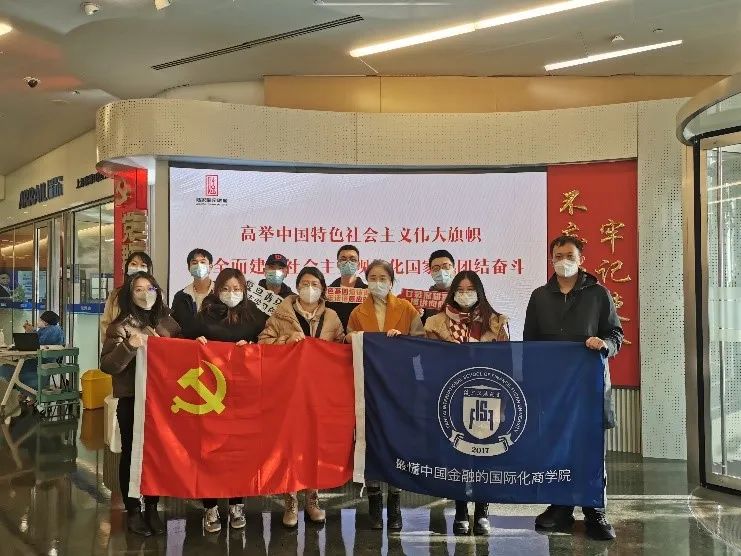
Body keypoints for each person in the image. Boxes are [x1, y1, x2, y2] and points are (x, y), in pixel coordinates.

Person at [523, 235, 623, 542]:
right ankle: (560, 507)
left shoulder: (599, 294)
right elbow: (530, 344)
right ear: (551, 259)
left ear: (581, 259)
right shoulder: (540, 296)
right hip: (552, 389)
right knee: (556, 448)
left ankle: (595, 510)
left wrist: (604, 344)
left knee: (590, 449)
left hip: (588, 388)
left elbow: (616, 336)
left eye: (569, 255)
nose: (563, 260)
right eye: (557, 255)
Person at [258, 266, 344, 528]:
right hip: (289, 390)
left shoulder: (331, 316)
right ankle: (291, 501)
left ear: (322, 288)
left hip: (319, 391)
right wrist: (286, 339)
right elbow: (262, 343)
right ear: (297, 287)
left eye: (315, 284)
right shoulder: (282, 313)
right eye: (305, 283)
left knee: (315, 444)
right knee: (290, 444)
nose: (310, 288)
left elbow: (341, 348)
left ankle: (313, 499)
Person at [424, 271, 509, 536]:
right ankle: (460, 510)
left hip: (487, 395)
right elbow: (428, 361)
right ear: (452, 293)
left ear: (479, 291)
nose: (464, 294)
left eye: (470, 289)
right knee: (457, 453)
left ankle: (483, 510)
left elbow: (506, 361)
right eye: (459, 289)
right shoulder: (435, 322)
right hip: (450, 396)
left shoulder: (496, 322)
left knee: (485, 453)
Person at [100, 272, 180, 537]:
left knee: (156, 454)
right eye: (139, 289)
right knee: (131, 453)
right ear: (130, 295)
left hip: (161, 401)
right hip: (132, 399)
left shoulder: (169, 323)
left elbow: (183, 353)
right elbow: (108, 365)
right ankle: (133, 509)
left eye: (151, 288)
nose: (146, 294)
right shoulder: (120, 326)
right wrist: (129, 346)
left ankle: (152, 508)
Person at [346, 259, 424, 531]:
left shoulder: (407, 308)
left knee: (396, 440)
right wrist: (354, 338)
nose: (377, 283)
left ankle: (394, 502)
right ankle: (374, 501)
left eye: (383, 278)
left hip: (400, 385)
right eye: (373, 278)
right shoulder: (357, 312)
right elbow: (348, 340)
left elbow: (420, 343)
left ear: (392, 282)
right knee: (371, 439)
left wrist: (402, 339)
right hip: (369, 384)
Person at [190, 267, 268, 534]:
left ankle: (237, 504)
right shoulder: (204, 313)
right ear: (217, 290)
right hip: (210, 394)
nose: (231, 293)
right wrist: (195, 342)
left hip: (243, 394)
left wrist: (253, 347)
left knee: (238, 451)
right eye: (225, 289)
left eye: (236, 289)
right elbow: (183, 341)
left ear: (244, 290)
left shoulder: (254, 314)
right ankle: (210, 506)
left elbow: (267, 345)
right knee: (209, 451)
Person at [0, 311, 65, 399]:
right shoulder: (44, 329)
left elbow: (39, 343)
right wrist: (30, 331)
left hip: (44, 361)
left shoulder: (54, 330)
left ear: (46, 321)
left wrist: (31, 331)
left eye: (41, 320)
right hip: (36, 358)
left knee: (11, 369)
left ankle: (30, 392)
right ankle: (27, 391)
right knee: (9, 367)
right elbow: (33, 341)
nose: (39, 321)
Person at [100, 252, 153, 341]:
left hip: (144, 344)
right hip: (119, 345)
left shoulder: (154, 294)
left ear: (148, 270)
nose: (137, 268)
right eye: (133, 264)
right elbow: (105, 323)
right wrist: (111, 343)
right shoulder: (115, 294)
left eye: (143, 265)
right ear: (127, 267)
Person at [171, 248, 215, 338]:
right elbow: (175, 328)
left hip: (215, 345)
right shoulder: (181, 296)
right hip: (189, 345)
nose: (199, 265)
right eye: (194, 263)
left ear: (210, 267)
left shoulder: (221, 293)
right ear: (189, 268)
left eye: (203, 262)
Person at [326, 245, 367, 332]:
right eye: (343, 259)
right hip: (333, 337)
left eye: (353, 260)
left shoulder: (367, 291)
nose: (348, 263)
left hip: (360, 337)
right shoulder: (327, 292)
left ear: (358, 265)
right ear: (338, 264)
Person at [422, 250, 456, 324]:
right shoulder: (424, 299)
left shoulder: (464, 296)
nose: (441, 271)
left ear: (454, 270)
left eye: (446, 267)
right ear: (431, 273)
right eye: (436, 268)